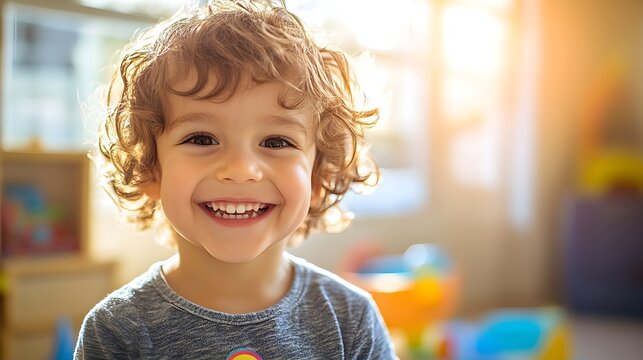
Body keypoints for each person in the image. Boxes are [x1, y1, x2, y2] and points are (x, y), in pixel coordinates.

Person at [74, 0, 397, 358]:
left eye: (276, 142)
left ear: (318, 177)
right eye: (201, 139)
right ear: (151, 168)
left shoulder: (351, 320)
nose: (241, 169)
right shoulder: (117, 331)